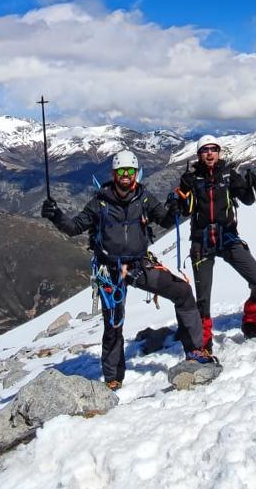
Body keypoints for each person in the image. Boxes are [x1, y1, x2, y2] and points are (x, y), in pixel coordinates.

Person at [42, 149, 213, 390]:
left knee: (182, 292)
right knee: (113, 322)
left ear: (136, 174)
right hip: (110, 269)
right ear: (114, 174)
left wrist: (176, 209)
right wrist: (56, 216)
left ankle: (195, 349)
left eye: (130, 171)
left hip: (139, 264)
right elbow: (74, 227)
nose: (125, 176)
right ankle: (113, 377)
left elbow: (164, 219)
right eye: (121, 171)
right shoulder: (100, 202)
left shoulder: (144, 198)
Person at [174, 134, 256, 347]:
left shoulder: (229, 174)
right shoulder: (191, 180)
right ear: (199, 154)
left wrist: (250, 184)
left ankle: (252, 324)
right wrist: (179, 197)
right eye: (205, 150)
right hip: (202, 242)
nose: (209, 153)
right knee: (203, 297)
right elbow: (183, 209)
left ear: (218, 152)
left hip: (228, 237)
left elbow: (247, 200)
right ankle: (203, 342)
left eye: (213, 149)